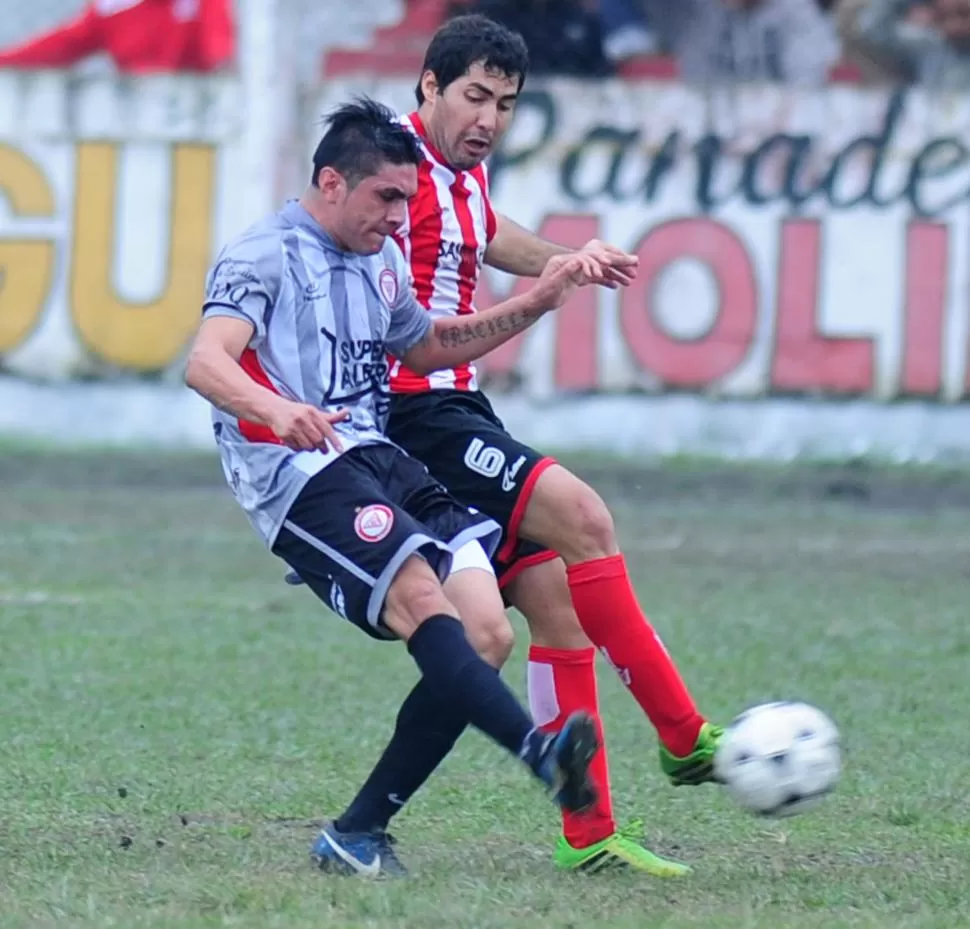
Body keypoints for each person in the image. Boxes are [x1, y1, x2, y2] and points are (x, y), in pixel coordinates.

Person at [325, 14, 726, 877]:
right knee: (584, 516)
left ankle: (587, 832)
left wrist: (567, 258)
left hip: (458, 408)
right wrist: (539, 295)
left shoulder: (457, 173)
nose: (489, 119)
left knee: (546, 605)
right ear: (427, 86)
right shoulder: (395, 177)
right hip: (412, 417)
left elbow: (486, 230)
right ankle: (685, 736)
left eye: (505, 104)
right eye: (474, 96)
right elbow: (378, 295)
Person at [184, 97, 621, 878]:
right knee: (422, 599)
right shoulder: (264, 254)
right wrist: (276, 408)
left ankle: (356, 833)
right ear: (329, 182)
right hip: (298, 473)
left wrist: (536, 299)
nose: (398, 216)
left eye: (405, 201)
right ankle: (540, 750)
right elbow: (206, 361)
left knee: (487, 632)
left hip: (377, 455)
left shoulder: (381, 259)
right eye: (385, 197)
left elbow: (423, 348)